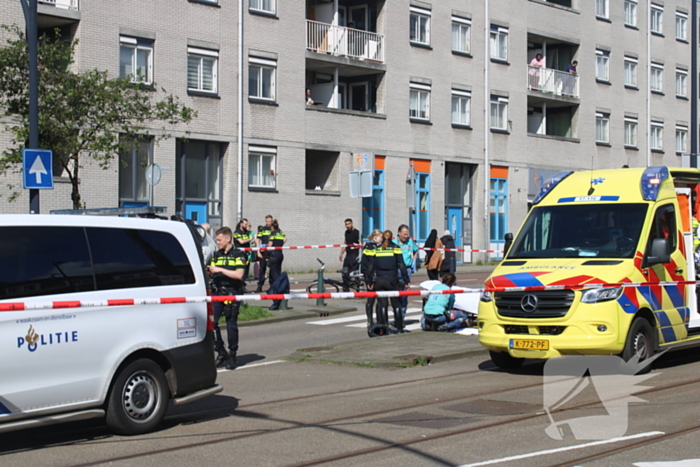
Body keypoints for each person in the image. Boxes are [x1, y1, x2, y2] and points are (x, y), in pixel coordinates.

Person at [208, 227, 249, 370]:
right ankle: (220, 351)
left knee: (231, 324)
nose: (217, 242)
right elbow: (212, 273)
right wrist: (210, 272)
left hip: (232, 292)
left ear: (228, 239)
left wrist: (220, 270)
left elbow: (239, 275)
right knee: (212, 324)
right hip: (217, 293)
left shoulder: (238, 254)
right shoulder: (216, 255)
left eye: (219, 240)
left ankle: (232, 355)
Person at [366, 230, 409, 333]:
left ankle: (385, 327)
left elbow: (371, 266)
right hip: (392, 279)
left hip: (380, 279)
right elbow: (402, 265)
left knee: (382, 304)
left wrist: (369, 281)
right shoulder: (395, 248)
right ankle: (399, 328)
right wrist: (406, 280)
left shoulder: (376, 249)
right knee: (396, 304)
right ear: (392, 238)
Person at [361, 229, 383, 335]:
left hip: (372, 276)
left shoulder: (372, 247)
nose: (382, 239)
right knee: (371, 299)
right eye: (380, 237)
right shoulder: (371, 247)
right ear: (375, 238)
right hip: (372, 276)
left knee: (377, 299)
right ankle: (371, 321)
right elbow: (370, 265)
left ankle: (376, 320)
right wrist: (369, 279)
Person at [394, 224, 419, 318]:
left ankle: (402, 315)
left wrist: (414, 261)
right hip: (397, 269)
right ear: (399, 233)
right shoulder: (394, 242)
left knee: (405, 291)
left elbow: (416, 250)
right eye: (404, 234)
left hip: (407, 269)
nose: (406, 236)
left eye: (407, 234)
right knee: (396, 292)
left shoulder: (410, 242)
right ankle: (397, 314)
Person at [339, 218, 361, 292]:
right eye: (346, 224)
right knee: (345, 273)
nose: (347, 226)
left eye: (349, 224)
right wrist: (341, 253)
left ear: (352, 224)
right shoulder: (346, 232)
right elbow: (345, 243)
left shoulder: (356, 232)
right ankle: (346, 290)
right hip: (348, 256)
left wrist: (357, 247)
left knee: (355, 274)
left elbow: (360, 243)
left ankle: (358, 290)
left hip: (355, 256)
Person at [255, 215, 273, 293]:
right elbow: (258, 241)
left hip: (272, 252)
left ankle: (272, 286)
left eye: (270, 221)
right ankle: (259, 286)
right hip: (263, 252)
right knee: (262, 269)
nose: (268, 223)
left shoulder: (274, 229)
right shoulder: (262, 229)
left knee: (272, 270)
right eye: (267, 221)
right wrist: (258, 251)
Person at [266, 219, 287, 288]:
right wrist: (280, 244)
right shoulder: (280, 233)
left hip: (274, 254)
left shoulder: (273, 233)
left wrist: (265, 246)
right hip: (280, 253)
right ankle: (276, 286)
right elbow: (285, 239)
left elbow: (270, 245)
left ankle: (279, 287)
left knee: (273, 272)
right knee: (278, 270)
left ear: (272, 227)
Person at [234, 219, 254, 285]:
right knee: (241, 269)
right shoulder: (236, 232)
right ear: (241, 224)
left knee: (246, 269)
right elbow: (241, 241)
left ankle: (244, 284)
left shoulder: (246, 232)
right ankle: (240, 285)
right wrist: (249, 239)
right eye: (245, 224)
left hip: (246, 253)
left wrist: (253, 241)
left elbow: (250, 241)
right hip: (239, 253)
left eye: (246, 224)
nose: (246, 225)